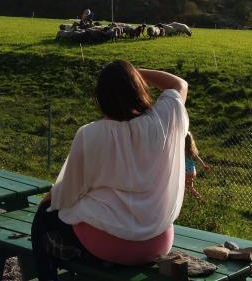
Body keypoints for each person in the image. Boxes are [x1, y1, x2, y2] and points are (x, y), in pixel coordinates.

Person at [31, 60, 189, 281]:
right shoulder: (163, 120)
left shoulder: (90, 134)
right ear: (138, 87)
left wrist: (49, 199)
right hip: (157, 242)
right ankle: (87, 256)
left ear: (101, 97)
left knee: (42, 219)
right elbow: (179, 84)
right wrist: (135, 73)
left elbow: (67, 194)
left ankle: (67, 267)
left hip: (106, 245)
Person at [184, 132, 210, 199]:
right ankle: (199, 198)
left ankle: (184, 200)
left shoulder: (182, 150)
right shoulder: (192, 150)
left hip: (186, 172)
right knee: (190, 187)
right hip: (192, 171)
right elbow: (198, 159)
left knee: (184, 187)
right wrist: (204, 166)